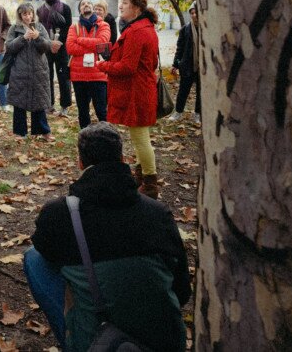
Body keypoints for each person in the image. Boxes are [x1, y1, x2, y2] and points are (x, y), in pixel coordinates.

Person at [24, 122, 190, 352]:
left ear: (81, 163)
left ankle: (73, 334)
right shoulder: (158, 213)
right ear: (123, 159)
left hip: (99, 340)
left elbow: (47, 251)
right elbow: (182, 290)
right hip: (165, 340)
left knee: (34, 258)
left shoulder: (58, 213)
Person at [96, 0, 161, 198]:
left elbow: (127, 67)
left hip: (137, 92)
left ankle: (150, 183)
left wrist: (103, 65)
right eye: (121, 2)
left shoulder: (136, 31)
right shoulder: (143, 27)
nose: (121, 6)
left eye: (125, 3)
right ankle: (141, 178)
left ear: (137, 8)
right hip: (141, 89)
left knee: (141, 137)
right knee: (140, 136)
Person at [5, 3, 53, 140]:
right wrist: (23, 38)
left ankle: (43, 131)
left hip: (39, 70)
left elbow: (47, 47)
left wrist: (38, 37)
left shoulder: (40, 27)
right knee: (19, 102)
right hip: (20, 70)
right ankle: (20, 133)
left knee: (39, 100)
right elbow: (9, 47)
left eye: (30, 13)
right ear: (20, 15)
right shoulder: (14, 29)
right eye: (25, 14)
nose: (28, 16)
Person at [65, 0, 110, 129]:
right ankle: (85, 138)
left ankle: (107, 136)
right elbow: (70, 48)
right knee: (83, 112)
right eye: (83, 4)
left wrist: (80, 40)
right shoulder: (74, 27)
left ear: (93, 7)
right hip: (79, 76)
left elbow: (102, 42)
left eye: (88, 3)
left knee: (101, 111)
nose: (86, 5)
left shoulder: (104, 25)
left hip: (98, 74)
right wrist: (92, 45)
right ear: (80, 10)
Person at [37, 0, 72, 117]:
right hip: (46, 47)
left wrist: (58, 43)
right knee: (47, 76)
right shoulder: (40, 10)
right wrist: (48, 43)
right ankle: (49, 104)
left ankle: (64, 105)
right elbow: (39, 29)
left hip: (62, 48)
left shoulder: (65, 8)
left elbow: (68, 28)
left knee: (64, 76)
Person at [169, 4, 200, 124]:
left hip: (203, 67)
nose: (194, 15)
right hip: (187, 65)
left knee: (201, 92)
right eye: (191, 13)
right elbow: (179, 49)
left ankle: (197, 114)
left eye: (196, 12)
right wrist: (176, 64)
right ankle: (178, 112)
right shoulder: (185, 29)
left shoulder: (207, 29)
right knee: (183, 90)